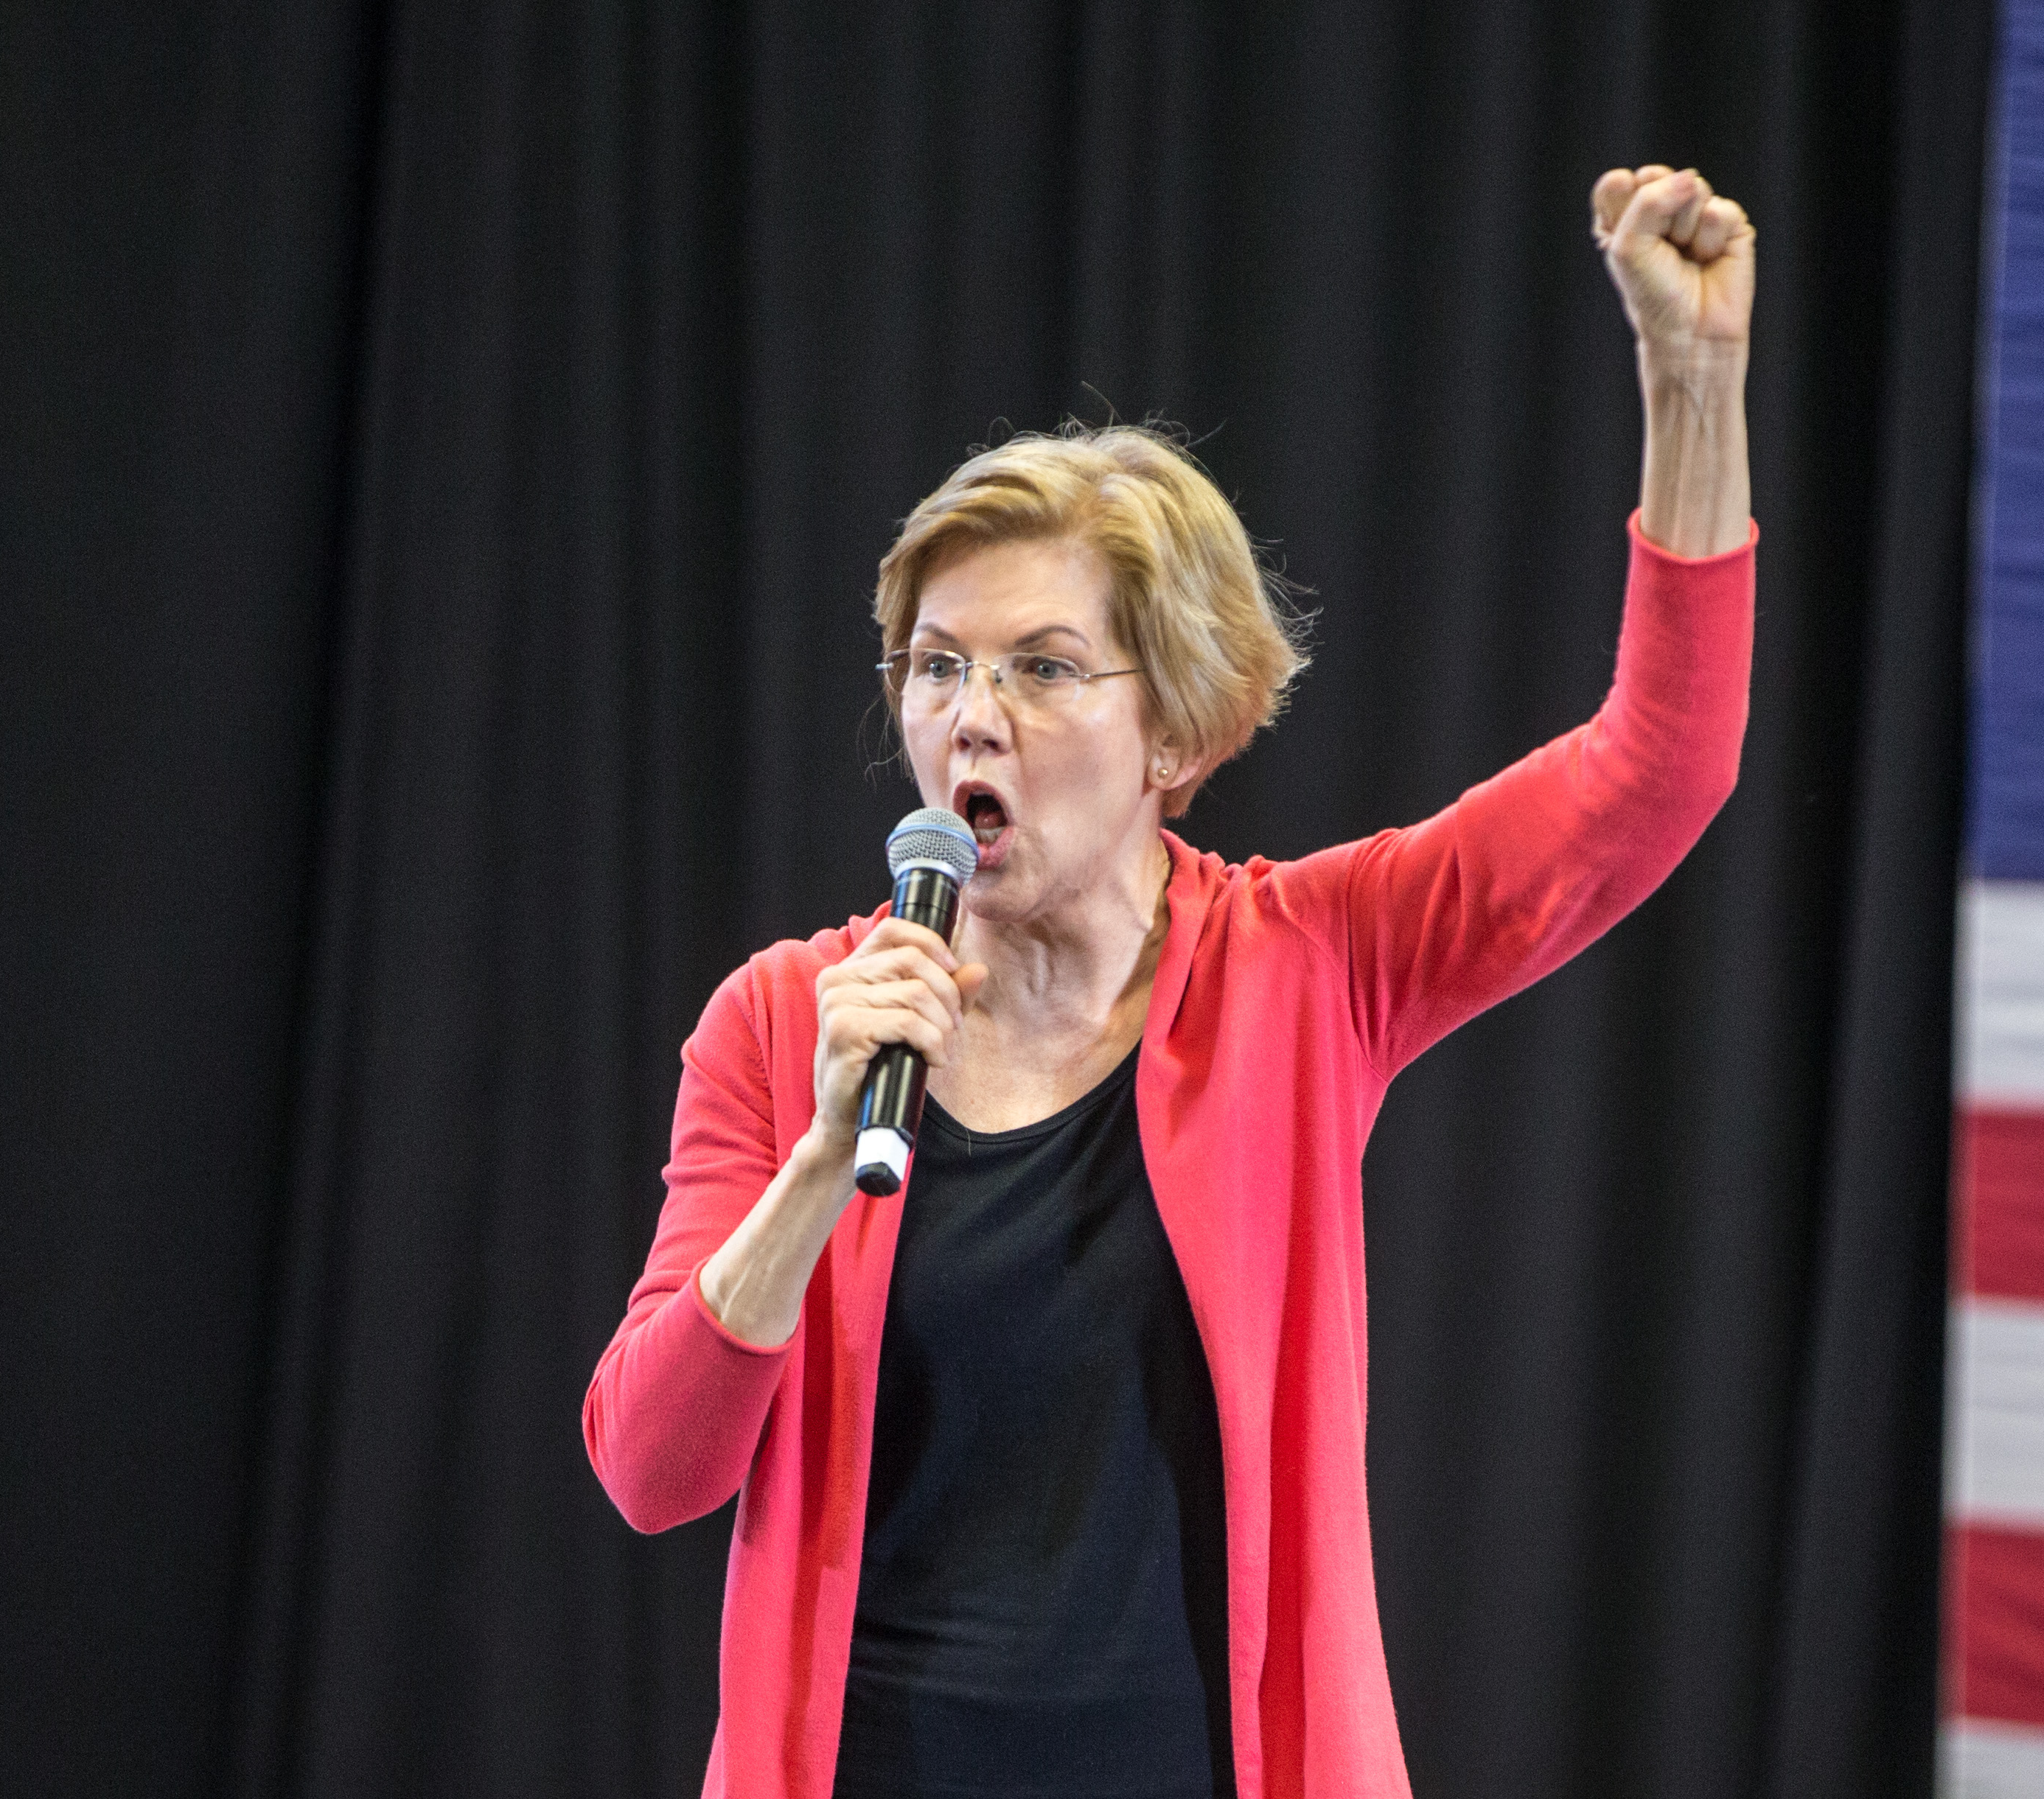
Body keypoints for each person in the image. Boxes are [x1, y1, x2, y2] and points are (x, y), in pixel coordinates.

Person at [584, 164, 1758, 1799]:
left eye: (1042, 668)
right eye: (935, 666)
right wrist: (809, 1170)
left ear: (1182, 736)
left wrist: (1692, 389)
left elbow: (1652, 777)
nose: (967, 715)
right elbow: (651, 1469)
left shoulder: (1310, 965)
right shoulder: (788, 1022)